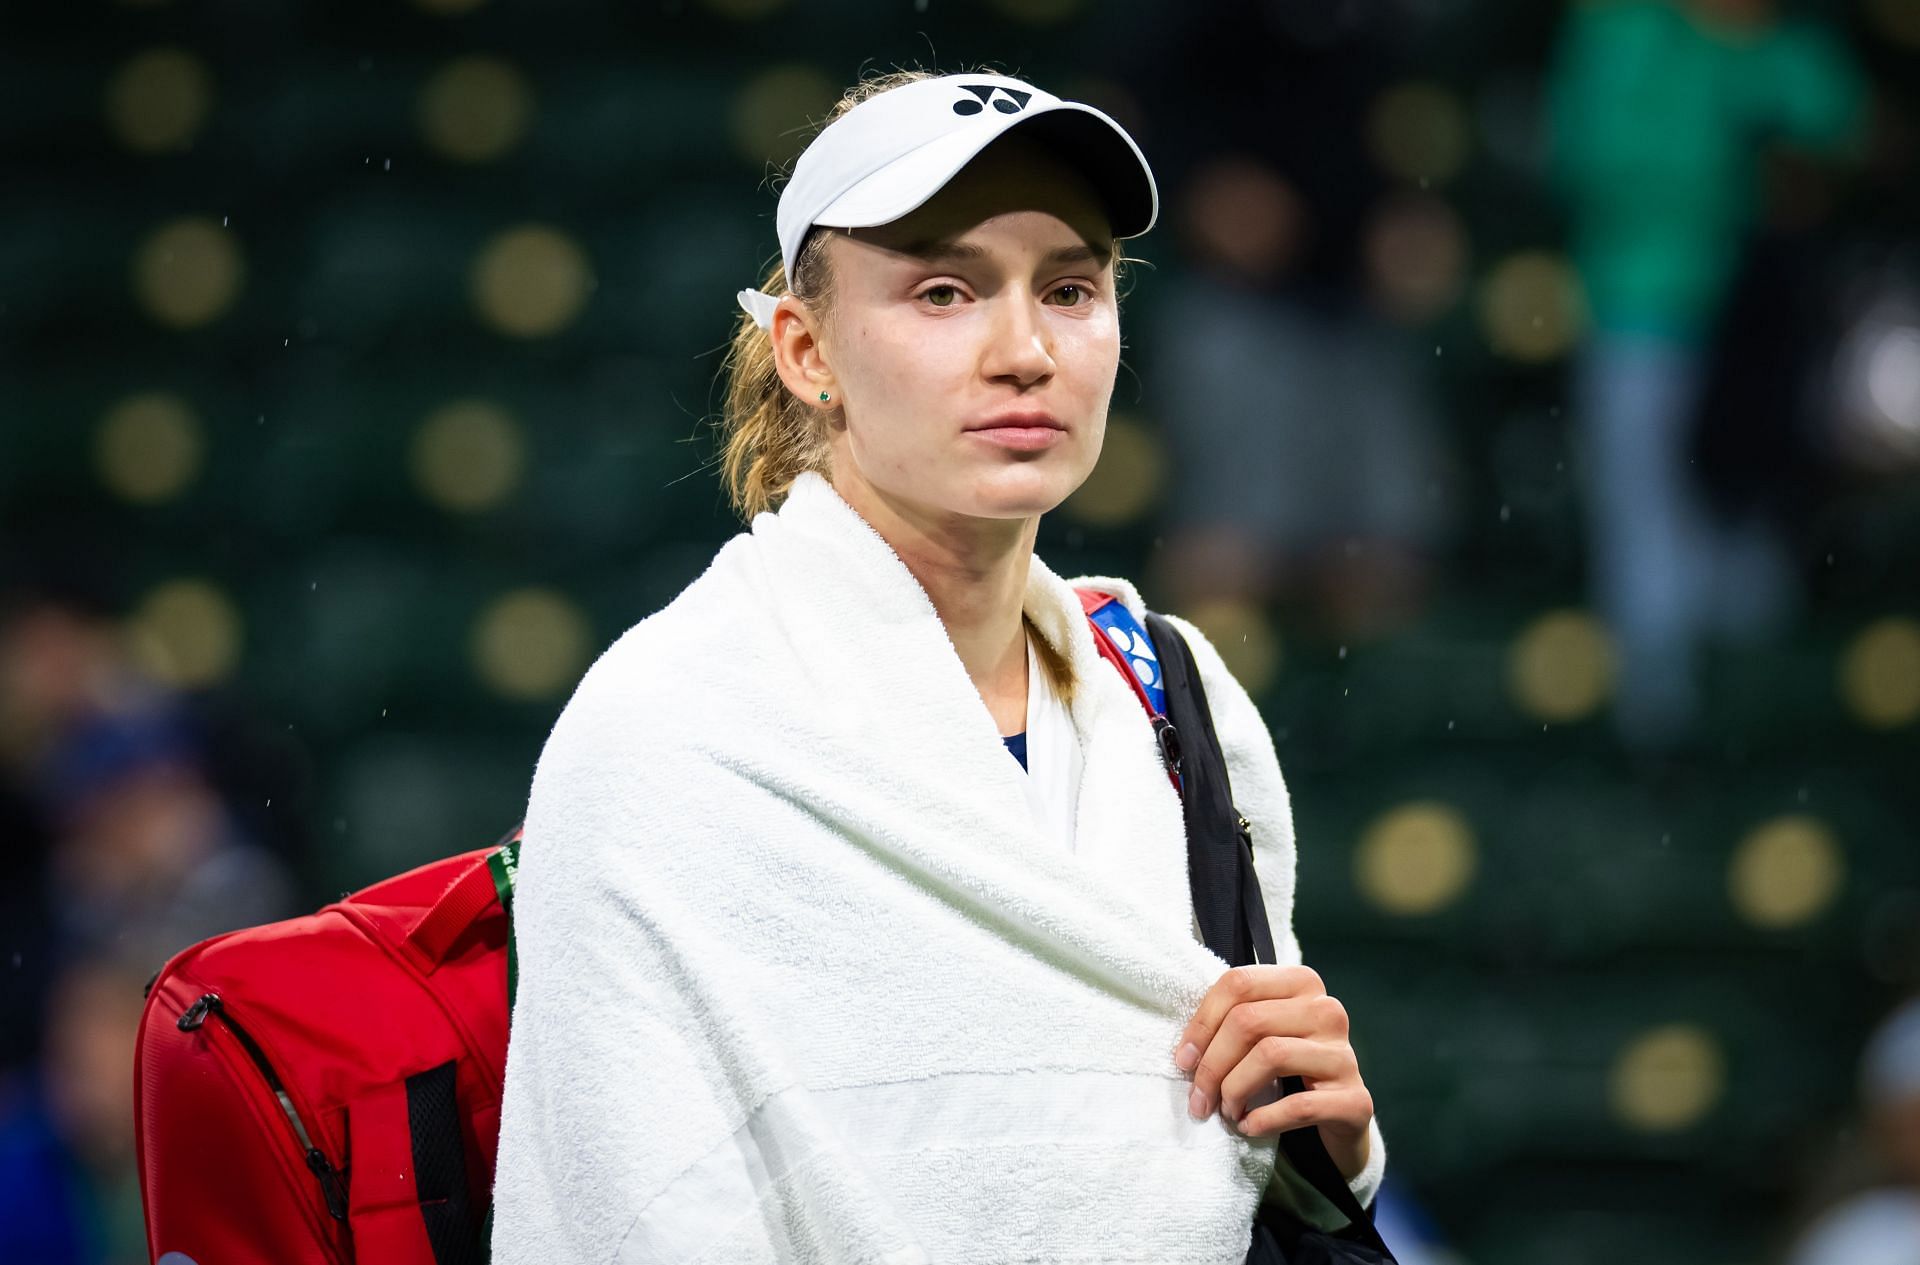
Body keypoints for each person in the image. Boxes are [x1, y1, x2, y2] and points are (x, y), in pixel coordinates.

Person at [490, 68, 1386, 1263]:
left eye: (1070, 287)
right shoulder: (666, 729)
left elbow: (1235, 1168)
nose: (1024, 350)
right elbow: (636, 1213)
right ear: (806, 350)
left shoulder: (1175, 694)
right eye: (945, 290)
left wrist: (1331, 1135)